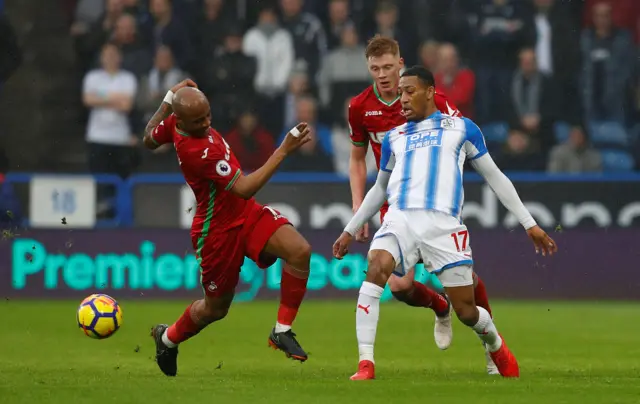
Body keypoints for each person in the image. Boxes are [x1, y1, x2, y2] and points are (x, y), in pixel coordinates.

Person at [334, 66, 558, 380]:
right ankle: (365, 364)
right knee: (376, 270)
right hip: (400, 218)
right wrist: (349, 228)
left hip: (443, 225)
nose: (403, 99)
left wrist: (529, 223)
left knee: (467, 312)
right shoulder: (395, 137)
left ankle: (494, 343)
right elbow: (380, 189)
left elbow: (495, 177)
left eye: (410, 91)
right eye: (401, 93)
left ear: (430, 92)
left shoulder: (462, 129)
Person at [143, 79, 314, 376]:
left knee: (299, 250)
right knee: (215, 309)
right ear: (183, 121)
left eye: (208, 114)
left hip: (245, 215)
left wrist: (169, 98)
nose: (207, 122)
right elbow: (245, 187)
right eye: (199, 120)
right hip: (216, 232)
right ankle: (167, 338)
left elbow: (148, 138)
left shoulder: (175, 123)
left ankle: (282, 330)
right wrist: (284, 149)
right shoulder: (199, 150)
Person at [348, 35, 497, 373]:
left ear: (400, 64)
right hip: (395, 200)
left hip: (436, 199)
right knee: (398, 286)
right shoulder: (360, 107)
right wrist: (358, 209)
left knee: (465, 282)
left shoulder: (432, 98)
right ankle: (439, 307)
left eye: (388, 67)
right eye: (375, 69)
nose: (383, 75)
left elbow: (460, 138)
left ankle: (488, 343)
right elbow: (357, 159)